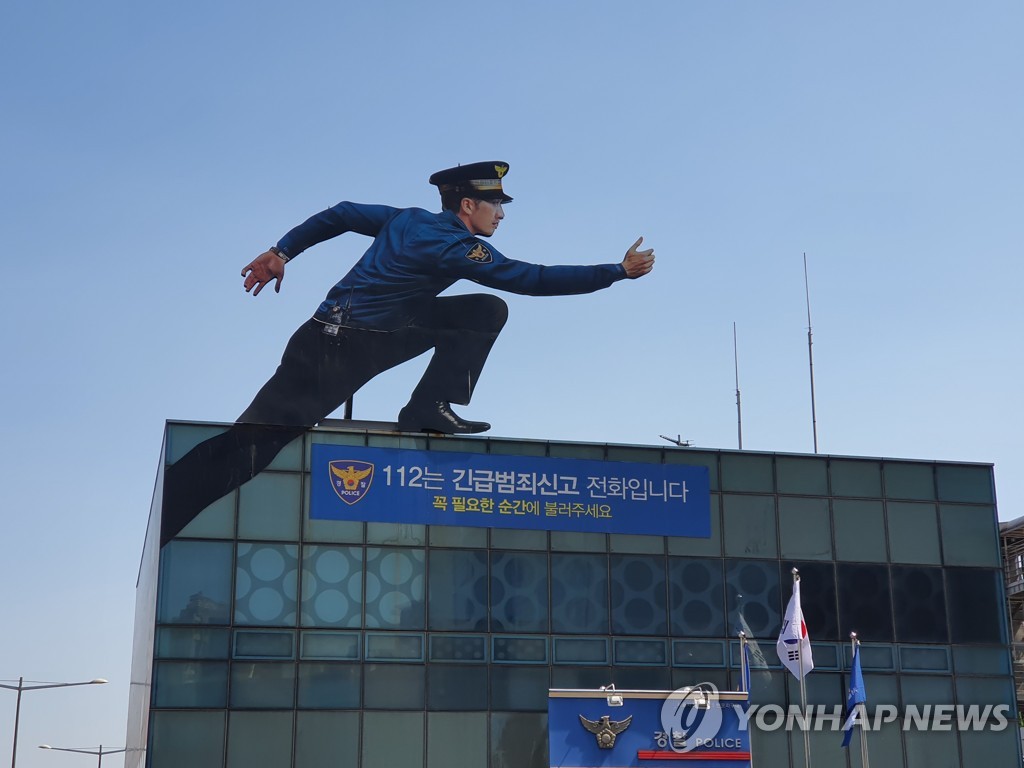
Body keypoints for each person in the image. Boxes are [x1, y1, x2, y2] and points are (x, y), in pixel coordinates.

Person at [161, 161, 654, 546]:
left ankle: (425, 408)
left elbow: (342, 212)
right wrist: (616, 270)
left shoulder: (408, 219)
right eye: (495, 205)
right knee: (251, 446)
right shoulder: (456, 247)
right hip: (333, 352)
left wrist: (282, 251)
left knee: (483, 310)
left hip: (374, 334)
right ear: (467, 205)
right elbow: (534, 278)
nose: (501, 214)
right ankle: (169, 517)